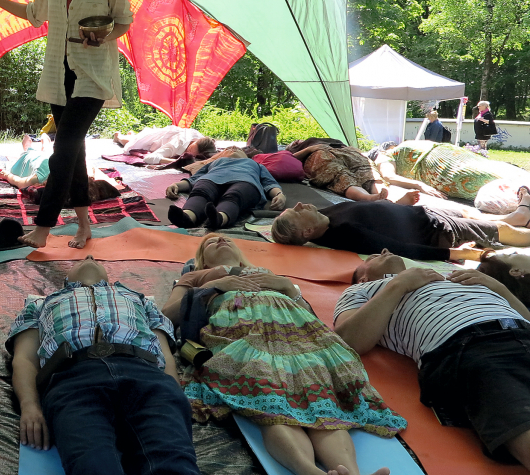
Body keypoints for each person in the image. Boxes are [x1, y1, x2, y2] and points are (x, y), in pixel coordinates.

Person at [164, 234, 400, 475]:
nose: (221, 240)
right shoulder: (195, 276)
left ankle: (351, 472)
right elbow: (166, 315)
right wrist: (211, 287)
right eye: (210, 242)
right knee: (273, 399)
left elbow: (308, 312)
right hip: (245, 333)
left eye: (226, 238)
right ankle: (309, 471)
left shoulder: (266, 272)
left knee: (323, 402)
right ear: (202, 260)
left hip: (298, 332)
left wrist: (287, 287)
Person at [0, 0, 134, 250]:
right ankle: (83, 226)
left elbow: (123, 20)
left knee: (62, 148)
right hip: (58, 74)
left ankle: (43, 228)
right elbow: (34, 15)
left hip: (92, 74)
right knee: (73, 152)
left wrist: (104, 36)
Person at [335, 249, 530, 468]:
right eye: (372, 257)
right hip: (468, 344)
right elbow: (349, 340)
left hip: (522, 331)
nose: (384, 251)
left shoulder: (454, 276)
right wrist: (399, 284)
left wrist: (500, 289)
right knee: (521, 421)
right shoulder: (363, 290)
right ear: (363, 277)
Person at [7, 256, 197, 475]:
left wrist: (174, 393)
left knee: (172, 459)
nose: (89, 257)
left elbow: (165, 354)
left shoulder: (141, 300)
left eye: (93, 257)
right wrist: (30, 406)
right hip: (73, 380)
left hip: (146, 375)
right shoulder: (40, 305)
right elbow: (24, 359)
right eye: (80, 259)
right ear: (65, 279)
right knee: (92, 463)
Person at [270, 190, 530, 260]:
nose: (300, 204)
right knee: (501, 231)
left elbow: (375, 214)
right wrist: (459, 253)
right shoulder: (344, 233)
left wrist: (400, 203)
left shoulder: (323, 215)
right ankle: (522, 215)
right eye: (296, 212)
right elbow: (398, 248)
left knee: (476, 216)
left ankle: (522, 213)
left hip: (420, 213)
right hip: (436, 229)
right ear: (306, 232)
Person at [164, 147, 285, 229]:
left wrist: (279, 194)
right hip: (211, 179)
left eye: (238, 149)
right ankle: (187, 217)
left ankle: (219, 218)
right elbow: (194, 179)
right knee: (200, 192)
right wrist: (176, 185)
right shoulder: (216, 162)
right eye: (229, 149)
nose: (234, 149)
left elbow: (269, 183)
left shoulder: (255, 165)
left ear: (247, 156)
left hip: (244, 182)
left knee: (235, 196)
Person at [291, 143, 388, 201]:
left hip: (349, 151)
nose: (296, 142)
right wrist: (309, 149)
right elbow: (287, 159)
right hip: (319, 153)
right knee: (340, 175)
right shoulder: (300, 149)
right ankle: (367, 198)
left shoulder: (331, 140)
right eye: (293, 144)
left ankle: (384, 195)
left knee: (368, 173)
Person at [113, 126, 216, 165]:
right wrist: (177, 162)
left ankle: (132, 135)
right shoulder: (177, 144)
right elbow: (149, 158)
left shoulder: (205, 142)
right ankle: (118, 137)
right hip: (157, 139)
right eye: (189, 150)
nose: (187, 154)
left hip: (171, 134)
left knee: (134, 139)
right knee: (131, 144)